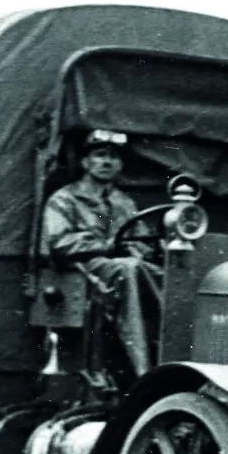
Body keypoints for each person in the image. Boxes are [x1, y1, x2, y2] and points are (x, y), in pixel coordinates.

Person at [41, 129, 162, 377]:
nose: (107, 162)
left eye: (114, 157)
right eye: (100, 155)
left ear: (121, 165)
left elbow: (142, 241)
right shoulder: (65, 199)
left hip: (122, 268)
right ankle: (141, 366)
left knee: (164, 273)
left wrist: (136, 249)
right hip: (84, 269)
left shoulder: (124, 203)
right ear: (85, 162)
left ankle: (171, 346)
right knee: (128, 269)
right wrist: (107, 245)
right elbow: (59, 242)